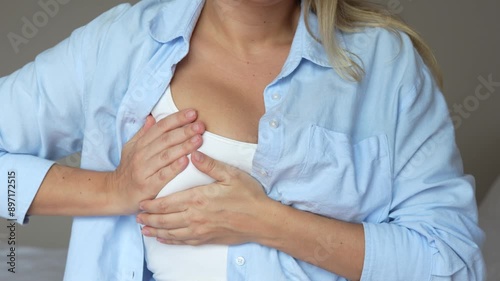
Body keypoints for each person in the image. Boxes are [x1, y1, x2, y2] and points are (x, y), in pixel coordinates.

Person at [0, 0, 486, 280]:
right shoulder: (118, 44)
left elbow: (452, 265)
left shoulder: (386, 64)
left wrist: (269, 223)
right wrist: (110, 191)